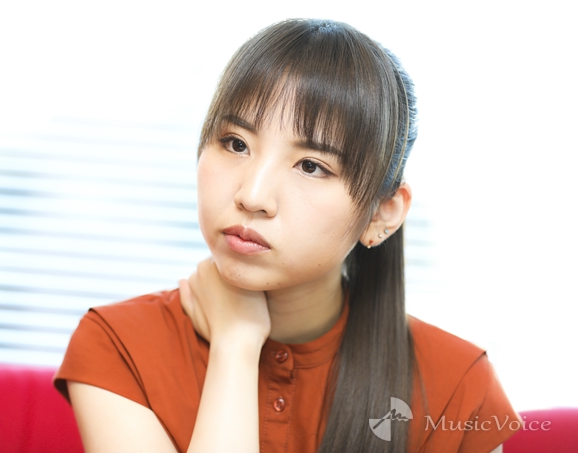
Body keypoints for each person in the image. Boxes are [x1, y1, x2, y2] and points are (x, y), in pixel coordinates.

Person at [54, 19, 519, 453]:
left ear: (382, 214)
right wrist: (236, 345)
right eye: (236, 143)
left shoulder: (457, 388)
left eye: (311, 166)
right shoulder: (118, 346)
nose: (252, 196)